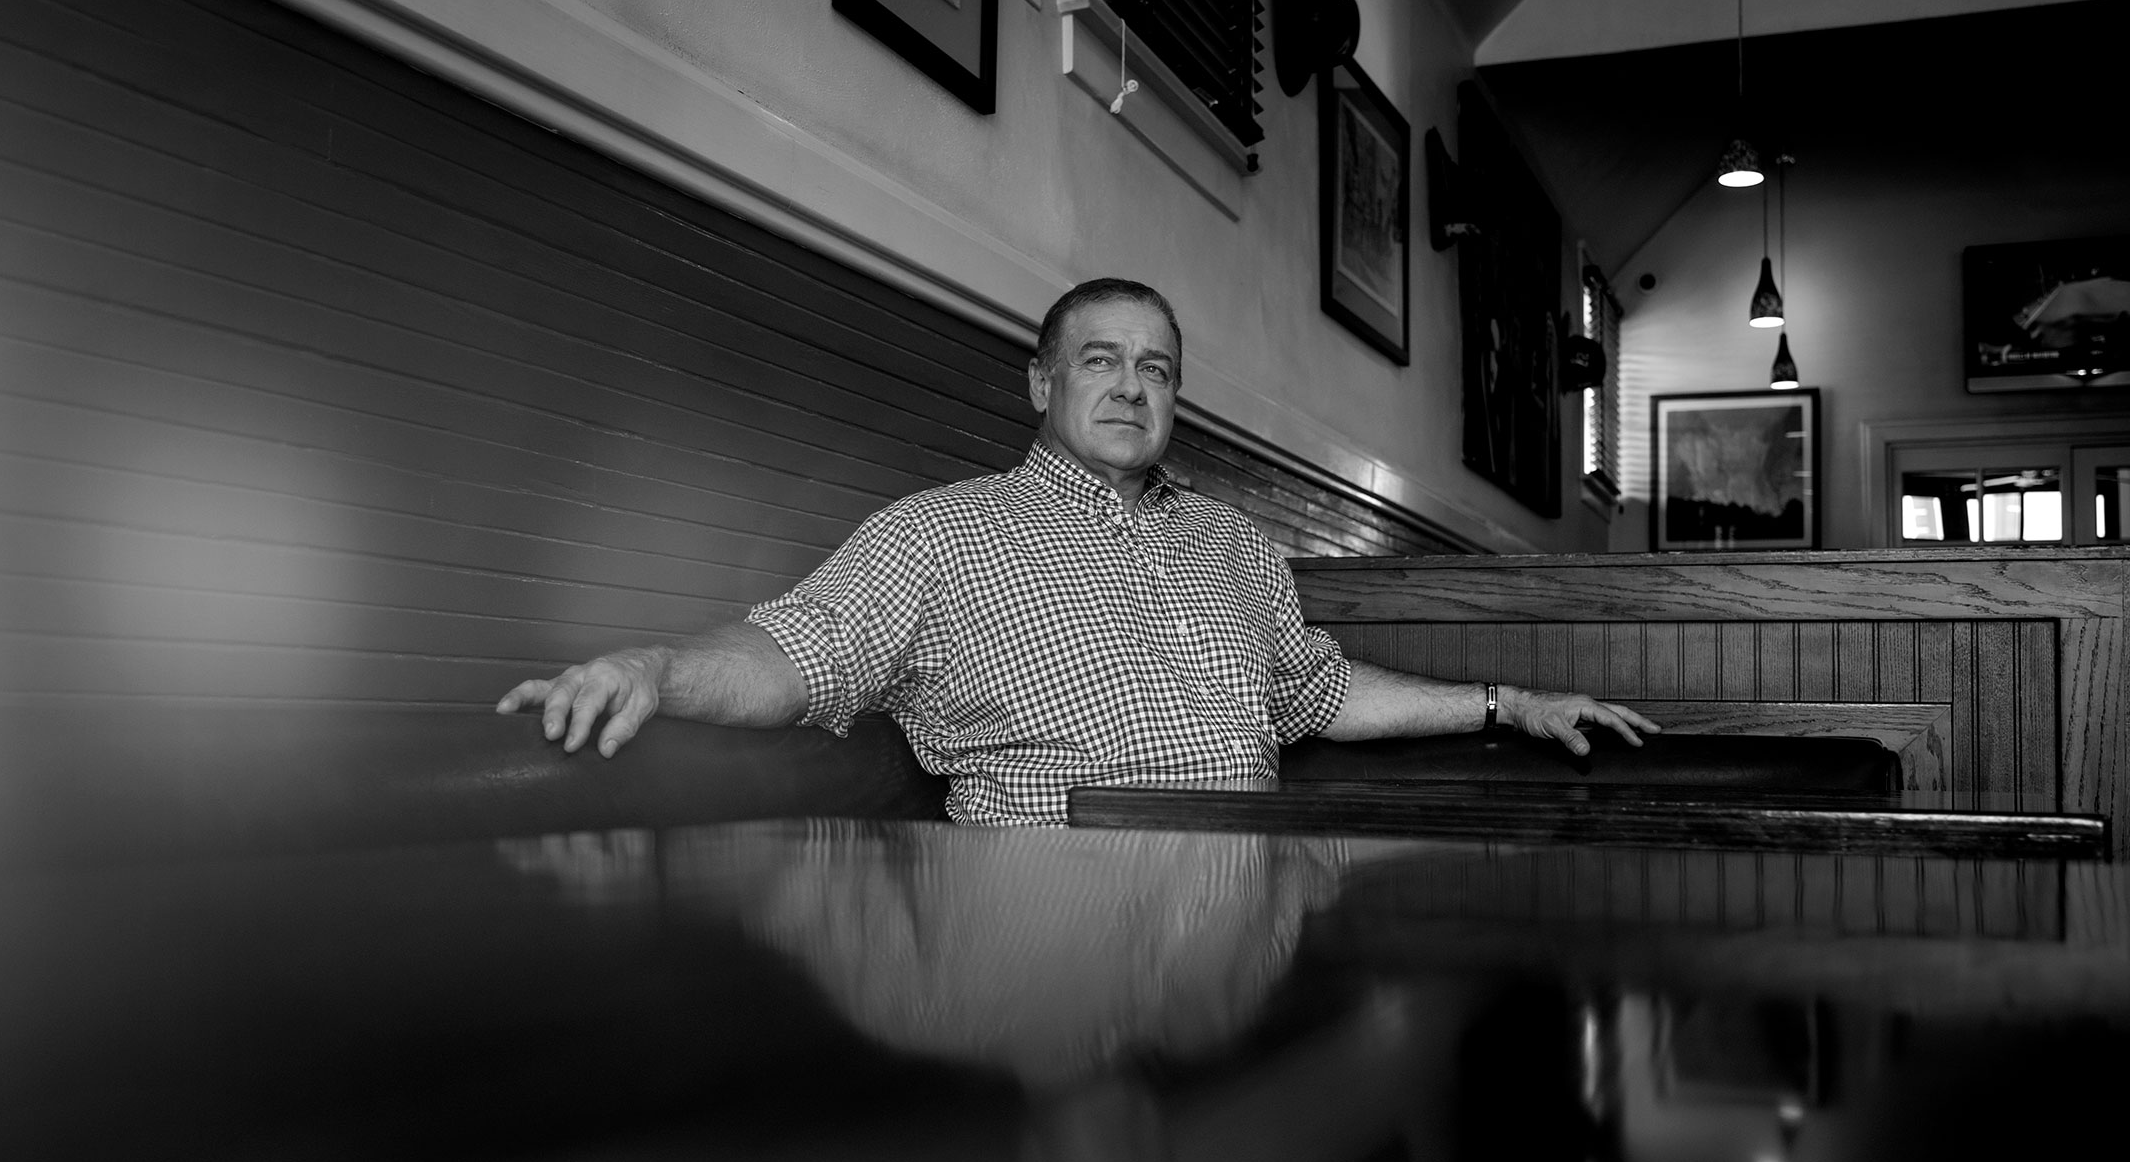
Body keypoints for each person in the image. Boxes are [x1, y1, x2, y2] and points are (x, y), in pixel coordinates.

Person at [497, 278, 1657, 824]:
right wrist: (652, 668)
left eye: (1156, 369)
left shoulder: (1232, 541)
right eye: (1100, 360)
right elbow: (799, 654)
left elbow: (1316, 691)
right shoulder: (942, 532)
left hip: (1245, 914)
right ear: (1041, 383)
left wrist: (1508, 703)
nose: (1131, 386)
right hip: (1049, 911)